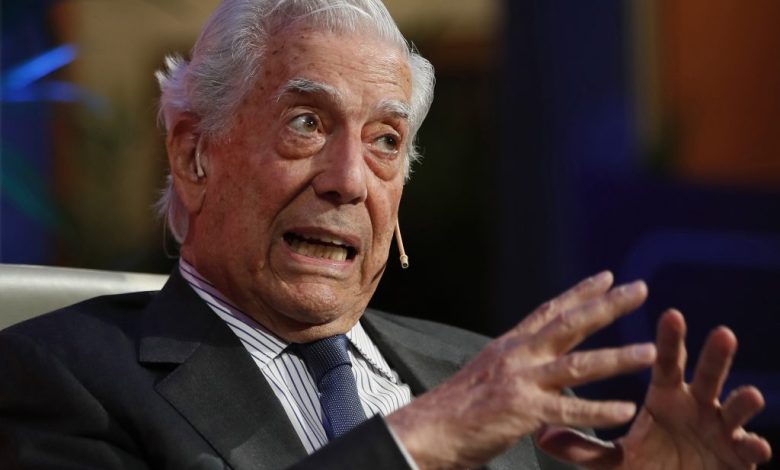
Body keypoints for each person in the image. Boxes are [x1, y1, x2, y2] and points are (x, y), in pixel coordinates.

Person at [0, 1, 772, 469]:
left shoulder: (483, 373)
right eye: (306, 123)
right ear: (194, 154)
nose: (348, 179)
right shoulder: (57, 377)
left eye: (385, 141)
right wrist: (413, 445)